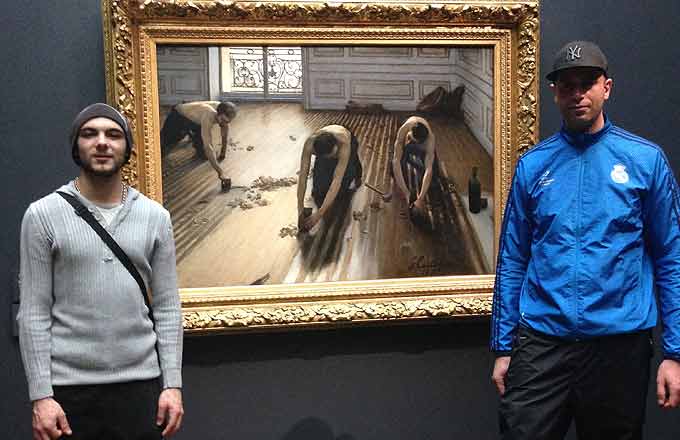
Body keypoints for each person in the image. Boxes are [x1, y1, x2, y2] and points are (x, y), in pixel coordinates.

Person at [490, 40, 680, 439]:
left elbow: (670, 257)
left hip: (618, 347)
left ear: (606, 88)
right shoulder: (533, 167)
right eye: (567, 85)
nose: (577, 94)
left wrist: (674, 352)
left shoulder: (645, 161)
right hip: (543, 342)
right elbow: (512, 261)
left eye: (587, 83)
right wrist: (504, 347)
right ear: (554, 92)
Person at [18, 103, 184, 439]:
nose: (102, 142)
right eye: (89, 134)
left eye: (113, 134)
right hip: (69, 393)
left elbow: (167, 306)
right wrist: (41, 395)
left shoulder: (155, 217)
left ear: (127, 148)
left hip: (142, 388)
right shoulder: (42, 215)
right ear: (76, 146)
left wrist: (173, 384)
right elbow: (33, 312)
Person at [160, 100, 237, 191]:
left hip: (197, 121)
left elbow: (224, 131)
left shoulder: (222, 109)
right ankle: (186, 133)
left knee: (204, 155)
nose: (225, 123)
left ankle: (192, 135)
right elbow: (208, 146)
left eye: (228, 121)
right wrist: (221, 172)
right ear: (218, 113)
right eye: (223, 120)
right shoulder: (208, 115)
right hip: (179, 116)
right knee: (164, 144)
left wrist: (222, 154)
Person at [297, 125, 362, 231]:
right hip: (327, 151)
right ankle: (329, 161)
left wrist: (319, 214)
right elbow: (303, 176)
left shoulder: (344, 143)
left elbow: (337, 180)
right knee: (318, 190)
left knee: (343, 188)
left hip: (348, 144)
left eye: (333, 155)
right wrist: (300, 210)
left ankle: (356, 169)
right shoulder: (309, 144)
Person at [383, 116, 436, 218]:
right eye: (413, 140)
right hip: (407, 140)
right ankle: (393, 190)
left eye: (418, 143)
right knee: (396, 165)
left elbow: (429, 169)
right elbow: (396, 162)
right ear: (410, 132)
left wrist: (420, 198)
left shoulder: (430, 140)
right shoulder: (403, 131)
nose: (414, 143)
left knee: (427, 170)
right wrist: (406, 192)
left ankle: (422, 193)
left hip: (422, 146)